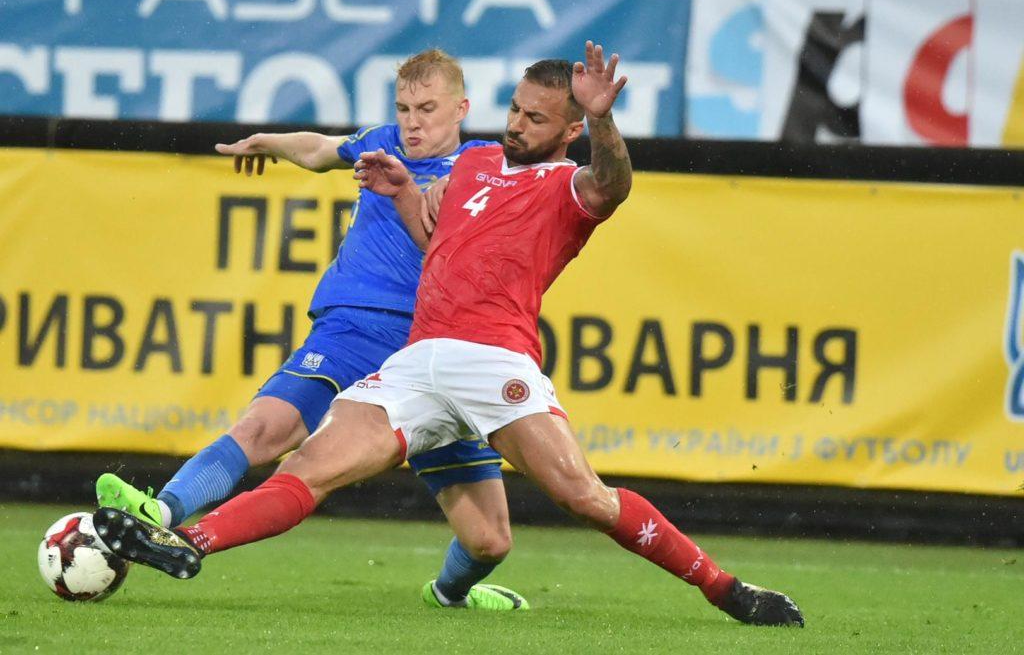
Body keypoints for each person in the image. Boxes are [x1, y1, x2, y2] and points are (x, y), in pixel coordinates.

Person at [95, 41, 804, 627]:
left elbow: (613, 182)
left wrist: (603, 122)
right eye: (515, 109)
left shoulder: (567, 185)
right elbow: (437, 246)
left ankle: (725, 588)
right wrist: (405, 192)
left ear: (568, 131)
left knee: (582, 497)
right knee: (306, 466)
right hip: (418, 358)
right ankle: (186, 540)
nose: (518, 124)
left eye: (537, 118)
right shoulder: (473, 164)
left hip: (495, 360)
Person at [94, 48, 528, 611]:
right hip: (352, 327)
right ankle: (160, 512)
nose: (412, 123)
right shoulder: (381, 143)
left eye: (427, 109)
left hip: (433, 350)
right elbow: (322, 150)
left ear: (461, 109)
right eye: (403, 109)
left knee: (489, 540)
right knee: (265, 428)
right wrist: (268, 143)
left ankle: (448, 594)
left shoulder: (480, 169)